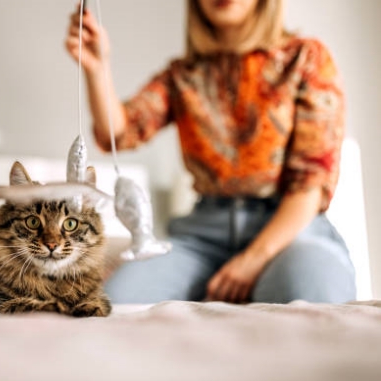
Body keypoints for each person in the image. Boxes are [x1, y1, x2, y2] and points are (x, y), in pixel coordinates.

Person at [64, 0, 356, 304]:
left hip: (292, 232)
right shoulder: (183, 75)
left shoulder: (305, 59)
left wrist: (252, 260)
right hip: (201, 236)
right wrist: (97, 69)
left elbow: (310, 182)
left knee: (310, 291)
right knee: (114, 301)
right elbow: (120, 133)